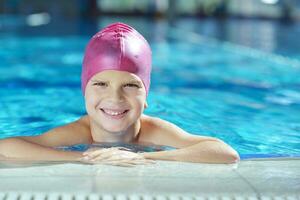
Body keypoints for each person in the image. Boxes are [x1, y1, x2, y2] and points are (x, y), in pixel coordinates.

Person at [0, 22, 240, 167]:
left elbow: (225, 153)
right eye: (101, 83)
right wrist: (85, 158)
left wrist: (144, 159)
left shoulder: (154, 131)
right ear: (84, 92)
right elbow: (6, 147)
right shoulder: (78, 132)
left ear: (146, 96)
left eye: (130, 85)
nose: (115, 98)